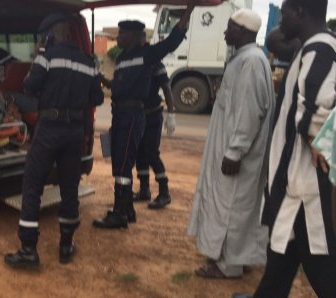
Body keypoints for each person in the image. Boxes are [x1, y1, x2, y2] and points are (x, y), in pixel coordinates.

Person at [4, 13, 104, 269]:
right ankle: (66, 245)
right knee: (69, 188)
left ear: (52, 34)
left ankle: (28, 249)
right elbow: (97, 98)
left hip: (49, 129)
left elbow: (29, 88)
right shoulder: (89, 62)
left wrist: (38, 56)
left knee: (33, 186)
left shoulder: (47, 58)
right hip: (74, 133)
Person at [251, 0, 336, 296]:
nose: (280, 20)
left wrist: (315, 140)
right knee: (279, 266)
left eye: (284, 12)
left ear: (300, 12)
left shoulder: (321, 49)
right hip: (293, 185)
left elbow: (317, 106)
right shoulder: (312, 47)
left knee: (323, 270)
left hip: (306, 187)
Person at [92, 1, 196, 229]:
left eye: (122, 33)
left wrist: (188, 11)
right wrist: (103, 80)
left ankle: (119, 214)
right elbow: (119, 88)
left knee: (122, 165)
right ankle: (127, 209)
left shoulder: (147, 55)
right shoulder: (120, 60)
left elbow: (172, 41)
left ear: (133, 35)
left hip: (132, 116)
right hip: (119, 115)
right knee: (120, 162)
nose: (118, 36)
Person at [187, 9, 275, 279]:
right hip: (231, 150)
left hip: (237, 155)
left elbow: (249, 112)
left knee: (231, 208)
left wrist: (235, 152)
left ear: (243, 31)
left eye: (229, 28)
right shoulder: (245, 59)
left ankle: (228, 265)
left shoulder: (250, 62)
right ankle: (240, 257)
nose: (225, 33)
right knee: (238, 208)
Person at [133, 31, 177, 210]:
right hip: (139, 115)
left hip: (152, 115)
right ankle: (144, 190)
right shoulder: (135, 62)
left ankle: (164, 192)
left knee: (151, 153)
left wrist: (171, 114)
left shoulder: (156, 64)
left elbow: (166, 88)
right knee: (139, 154)